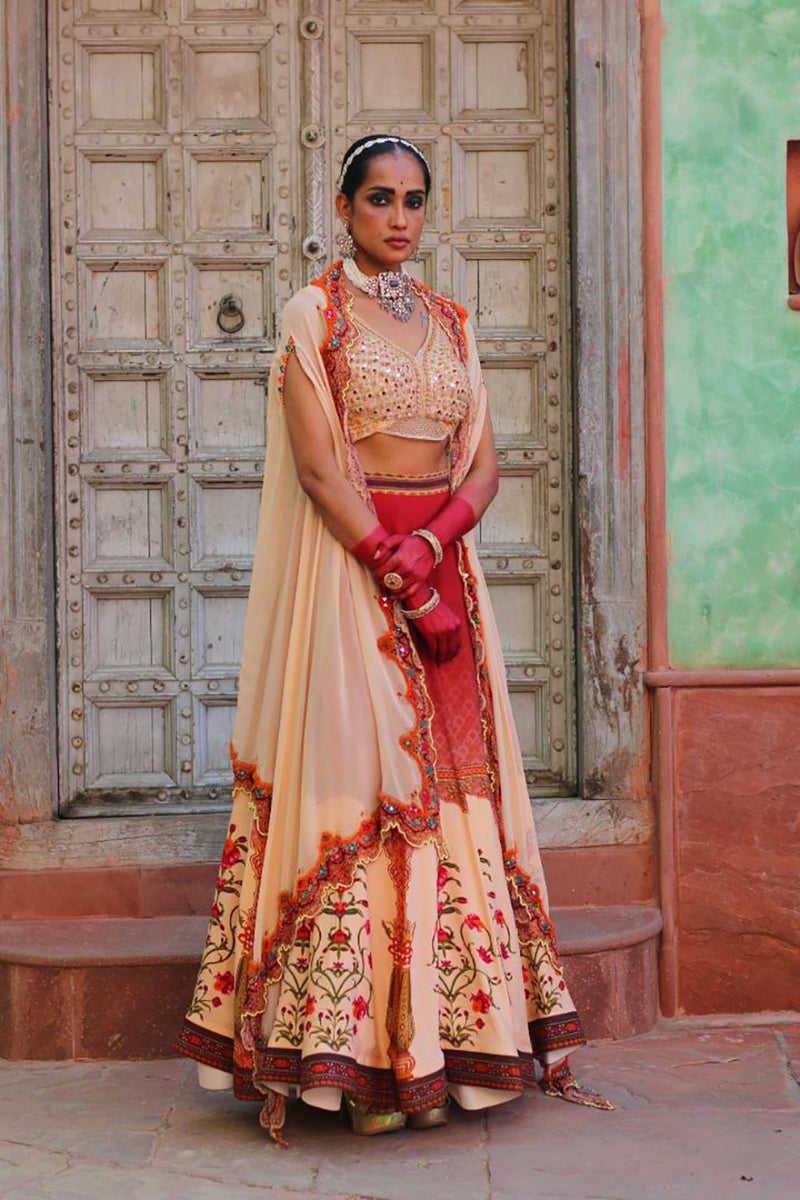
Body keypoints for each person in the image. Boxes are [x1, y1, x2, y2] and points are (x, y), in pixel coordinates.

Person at [174, 133, 612, 1146]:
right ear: (344, 207)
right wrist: (395, 565)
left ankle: (452, 1056)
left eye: (414, 199)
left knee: (454, 790)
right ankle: (360, 1074)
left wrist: (435, 556)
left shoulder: (453, 322)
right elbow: (324, 472)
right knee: (366, 789)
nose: (399, 218)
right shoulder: (311, 313)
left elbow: (484, 469)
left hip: (440, 576)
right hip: (352, 575)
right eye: (379, 199)